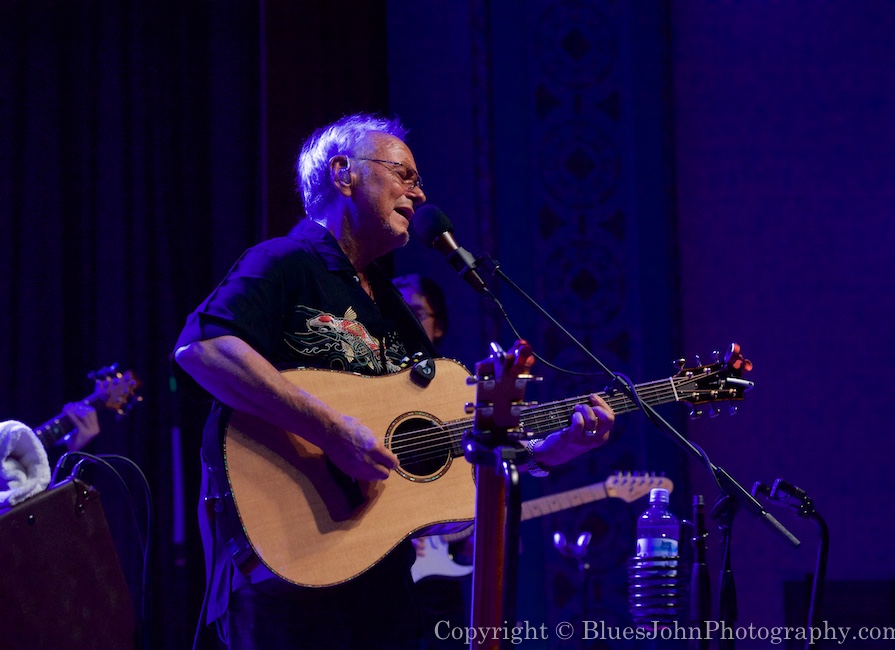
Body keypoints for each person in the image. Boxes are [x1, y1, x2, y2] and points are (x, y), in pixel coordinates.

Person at [172, 113, 614, 649]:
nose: (420, 193)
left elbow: (443, 468)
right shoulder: (285, 262)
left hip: (377, 581)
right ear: (344, 174)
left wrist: (549, 450)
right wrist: (333, 430)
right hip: (285, 573)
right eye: (404, 174)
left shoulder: (397, 314)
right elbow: (205, 348)